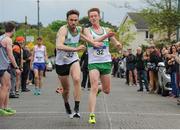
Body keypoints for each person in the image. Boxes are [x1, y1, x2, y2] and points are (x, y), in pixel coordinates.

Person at [55, 9, 113, 119]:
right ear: (67, 20)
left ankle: (77, 108)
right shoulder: (63, 30)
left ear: (78, 21)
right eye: (71, 20)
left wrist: (95, 44)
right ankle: (66, 103)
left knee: (77, 79)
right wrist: (76, 48)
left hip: (73, 59)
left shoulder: (78, 29)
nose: (73, 22)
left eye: (75, 20)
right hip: (61, 62)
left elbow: (87, 39)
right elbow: (59, 45)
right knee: (66, 89)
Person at [84, 8, 122, 124]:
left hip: (106, 62)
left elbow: (115, 42)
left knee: (107, 90)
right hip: (94, 62)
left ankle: (100, 89)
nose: (93, 18)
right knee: (93, 86)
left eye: (95, 16)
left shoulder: (106, 30)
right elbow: (92, 41)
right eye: (91, 16)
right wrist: (106, 37)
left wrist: (118, 45)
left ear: (99, 17)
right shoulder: (87, 30)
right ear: (89, 18)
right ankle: (91, 115)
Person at [0, 22, 21, 116]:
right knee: (4, 87)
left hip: (5, 65)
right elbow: (10, 54)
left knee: (7, 86)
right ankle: (1, 108)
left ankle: (6, 107)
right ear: (13, 30)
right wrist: (16, 67)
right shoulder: (8, 39)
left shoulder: (1, 37)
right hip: (2, 66)